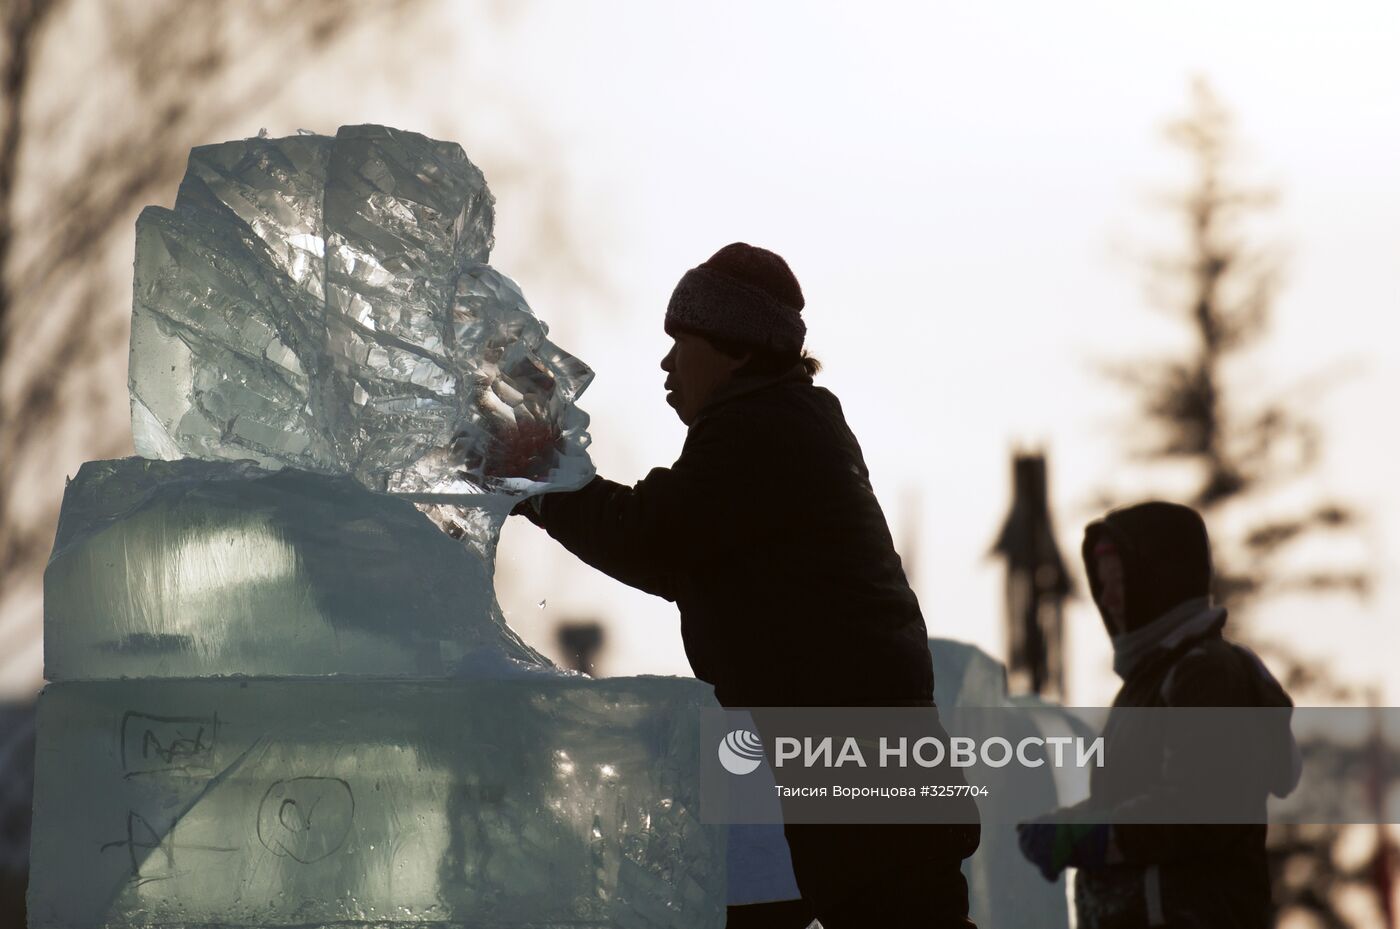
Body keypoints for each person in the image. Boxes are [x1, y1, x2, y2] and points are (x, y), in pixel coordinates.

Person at [515, 243, 979, 927]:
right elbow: (675, 551)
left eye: (684, 340)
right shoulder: (786, 423)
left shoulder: (762, 430)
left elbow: (654, 535)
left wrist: (538, 482)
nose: (667, 363)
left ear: (734, 347)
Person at [1017, 501, 1300, 929]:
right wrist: (1074, 823)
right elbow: (1137, 800)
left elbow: (1200, 804)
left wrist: (1091, 837)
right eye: (1102, 585)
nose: (1108, 599)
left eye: (1120, 582)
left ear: (1161, 581)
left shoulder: (1206, 673)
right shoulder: (1148, 683)